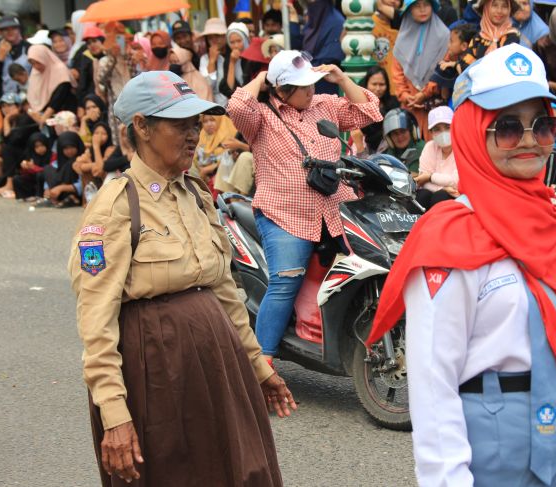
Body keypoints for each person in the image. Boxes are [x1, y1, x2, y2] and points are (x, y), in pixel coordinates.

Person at [366, 43, 556, 486]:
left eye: (543, 125)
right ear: (475, 133)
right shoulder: (450, 237)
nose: (530, 140)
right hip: (492, 456)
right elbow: (435, 395)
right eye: (508, 127)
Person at [69, 71, 290, 486]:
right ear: (142, 127)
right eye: (179, 124)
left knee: (242, 471)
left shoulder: (196, 192)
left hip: (217, 362)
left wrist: (259, 367)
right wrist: (114, 414)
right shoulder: (114, 207)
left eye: (197, 123)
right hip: (155, 373)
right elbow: (95, 323)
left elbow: (224, 290)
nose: (194, 134)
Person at [226, 50, 382, 363]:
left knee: (373, 262)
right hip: (284, 214)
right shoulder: (261, 115)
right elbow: (237, 106)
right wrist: (262, 78)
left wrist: (340, 78)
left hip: (337, 209)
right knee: (286, 281)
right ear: (282, 90)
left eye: (312, 83)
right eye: (302, 85)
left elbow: (370, 111)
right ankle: (262, 363)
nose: (311, 90)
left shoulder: (326, 104)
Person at [392, 0, 449, 139]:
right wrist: (405, 96)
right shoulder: (401, 39)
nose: (422, 9)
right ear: (409, 10)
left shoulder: (444, 36)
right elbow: (397, 74)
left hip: (436, 107)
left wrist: (425, 93)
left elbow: (444, 71)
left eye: (426, 5)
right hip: (410, 106)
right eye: (417, 6)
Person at [414, 106, 458, 208]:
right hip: (436, 194)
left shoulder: (463, 147)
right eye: (437, 129)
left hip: (459, 197)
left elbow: (456, 182)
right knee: (421, 195)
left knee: (440, 197)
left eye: (447, 127)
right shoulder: (429, 147)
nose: (443, 133)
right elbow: (422, 181)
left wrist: (430, 177)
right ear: (431, 133)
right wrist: (442, 188)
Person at [458, 0, 521, 71]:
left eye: (504, 6)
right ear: (486, 8)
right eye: (494, 5)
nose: (499, 11)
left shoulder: (512, 36)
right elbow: (465, 62)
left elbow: (506, 64)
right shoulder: (478, 38)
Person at [26, 45, 77, 128]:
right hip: (41, 115)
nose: (36, 66)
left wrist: (45, 117)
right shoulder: (35, 72)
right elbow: (32, 95)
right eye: (32, 63)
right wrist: (33, 113)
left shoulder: (59, 70)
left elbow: (59, 96)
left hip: (62, 112)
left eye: (38, 62)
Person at [352, 66, 400, 154]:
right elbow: (356, 133)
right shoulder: (359, 106)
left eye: (381, 84)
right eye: (374, 84)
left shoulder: (393, 103)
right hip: (363, 149)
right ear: (366, 84)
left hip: (390, 150)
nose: (378, 89)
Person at [302, 0, 346, 95]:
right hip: (309, 86)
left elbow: (332, 58)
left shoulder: (336, 22)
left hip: (327, 86)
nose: (312, 5)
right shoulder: (311, 24)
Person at [191, 114, 237, 194]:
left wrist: (208, 169)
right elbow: (195, 157)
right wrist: (202, 170)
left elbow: (228, 157)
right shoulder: (202, 134)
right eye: (205, 121)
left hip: (222, 171)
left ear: (219, 120)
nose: (209, 124)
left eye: (212, 120)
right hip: (202, 172)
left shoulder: (228, 133)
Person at [38, 131, 82, 208]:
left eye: (72, 147)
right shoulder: (58, 162)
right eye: (65, 148)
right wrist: (47, 189)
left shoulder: (82, 160)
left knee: (71, 163)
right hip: (57, 191)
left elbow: (83, 184)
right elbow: (49, 176)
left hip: (75, 192)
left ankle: (72, 198)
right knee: (48, 168)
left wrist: (61, 188)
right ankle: (52, 196)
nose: (69, 151)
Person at [0, 15, 31, 99]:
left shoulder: (29, 48)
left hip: (29, 96)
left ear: (19, 29)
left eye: (13, 28)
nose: (9, 32)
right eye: (5, 29)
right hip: (5, 100)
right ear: (1, 32)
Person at [383, 108, 426, 173]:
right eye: (395, 133)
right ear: (389, 137)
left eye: (403, 131)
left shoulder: (424, 149)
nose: (399, 137)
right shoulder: (387, 156)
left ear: (412, 131)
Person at [218, 22, 251, 105]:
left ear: (245, 40)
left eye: (239, 41)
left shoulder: (252, 59)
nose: (236, 46)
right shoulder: (228, 59)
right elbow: (230, 87)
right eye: (232, 42)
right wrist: (232, 63)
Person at [12, 132, 50, 200]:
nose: (40, 149)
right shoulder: (30, 156)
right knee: (17, 178)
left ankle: (39, 196)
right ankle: (24, 196)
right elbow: (27, 175)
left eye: (42, 145)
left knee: (40, 175)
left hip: (45, 183)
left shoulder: (52, 155)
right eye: (37, 147)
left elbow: (48, 171)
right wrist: (25, 168)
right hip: (33, 182)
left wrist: (33, 167)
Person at [75, 26, 106, 101]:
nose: (92, 45)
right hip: (93, 99)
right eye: (89, 43)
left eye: (94, 41)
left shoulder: (111, 57)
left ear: (102, 41)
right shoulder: (86, 58)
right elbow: (83, 84)